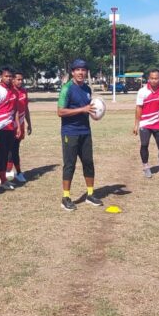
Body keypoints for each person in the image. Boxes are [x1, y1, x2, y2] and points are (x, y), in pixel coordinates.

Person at [57, 59, 102, 211]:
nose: (81, 73)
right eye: (78, 70)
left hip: (85, 132)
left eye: (83, 70)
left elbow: (89, 109)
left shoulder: (87, 89)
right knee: (69, 165)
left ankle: (90, 194)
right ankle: (65, 197)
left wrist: (95, 114)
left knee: (88, 163)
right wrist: (82, 109)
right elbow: (60, 112)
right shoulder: (66, 89)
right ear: (72, 72)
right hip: (70, 132)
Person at [133, 68, 159, 178]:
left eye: (156, 78)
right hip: (145, 124)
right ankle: (146, 167)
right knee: (144, 145)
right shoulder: (142, 91)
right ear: (148, 79)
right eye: (152, 78)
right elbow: (138, 108)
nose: (154, 80)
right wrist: (136, 125)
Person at [0, 66, 20, 190]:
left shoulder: (14, 91)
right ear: (1, 77)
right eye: (6, 76)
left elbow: (15, 110)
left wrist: (17, 126)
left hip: (10, 128)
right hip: (0, 128)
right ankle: (2, 180)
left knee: (9, 153)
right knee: (2, 155)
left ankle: (5, 179)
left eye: (10, 76)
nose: (8, 78)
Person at [7, 71, 32, 183]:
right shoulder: (9, 92)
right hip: (9, 125)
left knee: (15, 149)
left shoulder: (23, 92)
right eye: (18, 79)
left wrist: (29, 124)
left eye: (22, 79)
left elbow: (25, 109)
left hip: (20, 125)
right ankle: (6, 174)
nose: (20, 81)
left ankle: (18, 173)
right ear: (13, 80)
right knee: (8, 150)